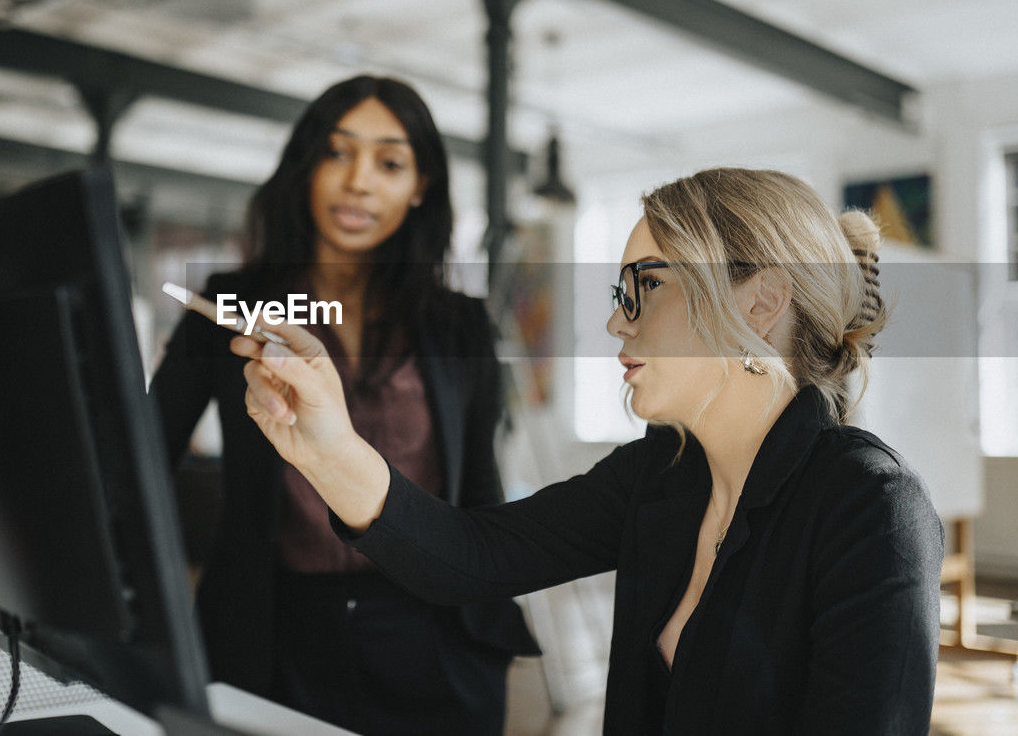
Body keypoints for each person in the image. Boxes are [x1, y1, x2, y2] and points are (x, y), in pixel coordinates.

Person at [233, 167, 945, 734]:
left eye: (646, 287)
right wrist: (325, 448)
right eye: (618, 291)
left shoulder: (870, 508)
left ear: (761, 302)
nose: (614, 320)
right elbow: (475, 554)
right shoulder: (662, 472)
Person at [0, 75, 539, 735]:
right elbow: (130, 468)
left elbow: (480, 491)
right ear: (305, 167)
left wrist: (487, 636)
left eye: (390, 162)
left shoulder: (460, 324)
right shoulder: (227, 306)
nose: (360, 180)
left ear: (420, 187)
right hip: (273, 639)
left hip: (438, 638)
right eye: (338, 153)